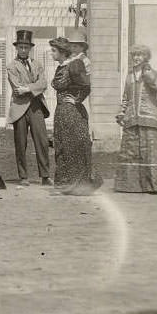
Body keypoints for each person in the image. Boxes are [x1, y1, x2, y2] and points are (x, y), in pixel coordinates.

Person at [49, 29, 101, 196]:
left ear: (62, 52)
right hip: (62, 112)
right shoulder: (63, 66)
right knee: (63, 146)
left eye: (53, 51)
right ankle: (65, 184)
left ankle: (76, 184)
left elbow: (87, 85)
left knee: (73, 147)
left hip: (72, 113)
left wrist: (77, 99)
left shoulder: (75, 65)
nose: (51, 53)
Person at [114, 44, 157, 194]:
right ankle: (130, 186)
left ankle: (153, 185)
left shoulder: (151, 73)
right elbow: (126, 98)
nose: (136, 58)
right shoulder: (129, 76)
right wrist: (121, 113)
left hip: (149, 117)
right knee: (131, 151)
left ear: (146, 57)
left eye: (140, 55)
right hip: (132, 118)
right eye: (134, 55)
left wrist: (147, 72)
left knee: (150, 151)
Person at [7, 30, 51, 187]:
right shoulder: (12, 66)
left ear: (30, 48)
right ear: (17, 48)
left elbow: (44, 83)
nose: (23, 50)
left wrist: (28, 89)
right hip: (19, 108)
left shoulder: (37, 64)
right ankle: (23, 176)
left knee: (42, 141)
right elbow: (17, 87)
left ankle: (45, 176)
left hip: (36, 106)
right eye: (21, 47)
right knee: (20, 143)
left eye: (26, 47)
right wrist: (32, 88)